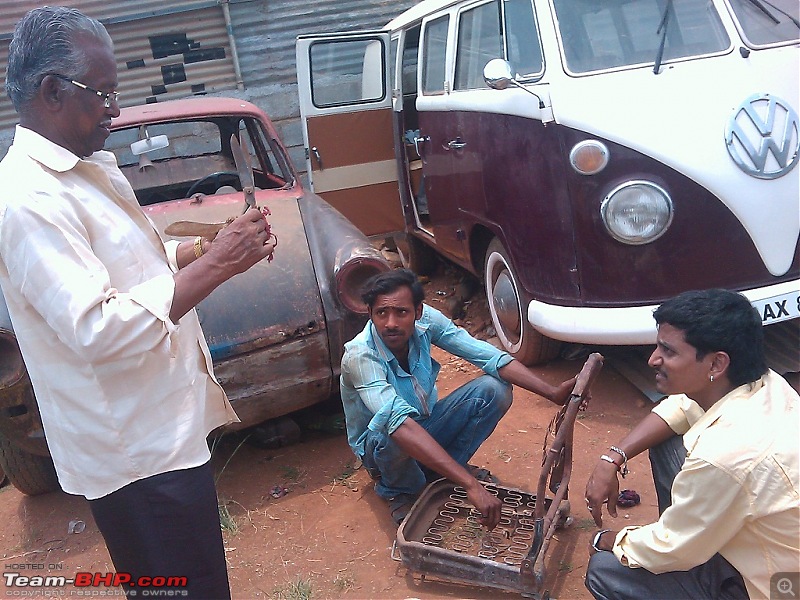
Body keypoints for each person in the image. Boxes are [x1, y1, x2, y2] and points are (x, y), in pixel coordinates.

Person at [0, 7, 274, 598]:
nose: (116, 109)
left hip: (160, 434)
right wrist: (218, 263)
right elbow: (98, 327)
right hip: (134, 458)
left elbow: (130, 267)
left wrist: (205, 247)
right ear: (52, 91)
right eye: (102, 93)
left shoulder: (86, 168)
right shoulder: (28, 199)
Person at [584, 288, 799, 600]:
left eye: (668, 352)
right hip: (772, 544)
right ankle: (691, 534)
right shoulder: (765, 383)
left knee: (607, 571)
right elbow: (682, 407)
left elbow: (670, 548)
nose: (652, 359)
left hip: (780, 586)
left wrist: (606, 539)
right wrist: (613, 457)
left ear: (715, 365)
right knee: (668, 440)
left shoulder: (724, 454)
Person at [340, 268, 576, 527]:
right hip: (382, 447)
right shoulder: (360, 356)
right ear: (370, 314)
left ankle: (440, 470)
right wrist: (471, 485)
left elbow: (486, 355)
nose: (391, 323)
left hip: (424, 426)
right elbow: (397, 424)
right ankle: (401, 489)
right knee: (393, 430)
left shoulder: (427, 321)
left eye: (401, 312)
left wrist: (552, 393)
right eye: (381, 313)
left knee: (494, 390)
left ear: (418, 312)